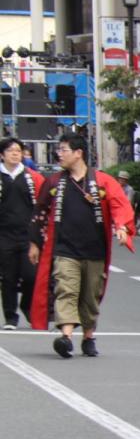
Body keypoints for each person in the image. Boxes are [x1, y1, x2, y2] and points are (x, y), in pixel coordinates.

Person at [28, 133, 135, 357]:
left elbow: (119, 205)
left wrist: (122, 227)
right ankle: (66, 337)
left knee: (90, 296)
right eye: (59, 149)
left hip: (95, 250)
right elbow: (40, 213)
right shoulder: (54, 182)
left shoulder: (103, 181)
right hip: (64, 249)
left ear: (78, 153)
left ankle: (88, 337)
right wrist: (35, 243)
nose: (59, 153)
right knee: (66, 290)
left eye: (64, 149)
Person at [0, 136, 43, 329]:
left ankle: (27, 305)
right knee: (8, 277)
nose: (16, 154)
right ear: (2, 155)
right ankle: (10, 317)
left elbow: (43, 205)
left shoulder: (32, 177)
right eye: (11, 151)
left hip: (28, 236)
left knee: (31, 275)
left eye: (18, 150)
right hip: (4, 235)